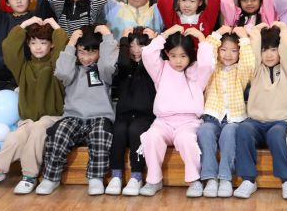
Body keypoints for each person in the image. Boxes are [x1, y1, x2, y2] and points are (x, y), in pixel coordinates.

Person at [0, 17, 66, 194]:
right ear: (28, 45)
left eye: (43, 43)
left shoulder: (56, 64)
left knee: (39, 128)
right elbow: (8, 47)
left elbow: (63, 48)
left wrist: (56, 27)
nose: (38, 47)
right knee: (15, 137)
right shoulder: (23, 67)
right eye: (33, 43)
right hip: (28, 120)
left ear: (51, 44)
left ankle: (30, 176)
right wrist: (24, 25)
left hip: (53, 118)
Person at [35, 25, 118, 196]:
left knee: (100, 135)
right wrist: (71, 43)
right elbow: (62, 72)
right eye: (81, 52)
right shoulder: (72, 70)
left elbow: (109, 64)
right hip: (73, 117)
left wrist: (107, 36)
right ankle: (51, 177)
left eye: (92, 53)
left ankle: (96, 178)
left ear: (100, 51)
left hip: (100, 117)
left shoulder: (103, 71)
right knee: (59, 133)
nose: (86, 58)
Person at [138, 26, 214, 197]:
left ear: (190, 55)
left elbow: (208, 63)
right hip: (163, 122)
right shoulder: (161, 69)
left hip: (189, 122)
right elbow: (147, 54)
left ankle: (195, 180)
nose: (178, 61)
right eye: (173, 56)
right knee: (150, 137)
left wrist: (201, 38)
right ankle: (154, 180)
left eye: (183, 56)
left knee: (186, 139)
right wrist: (165, 34)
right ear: (167, 54)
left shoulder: (197, 71)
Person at [233, 22, 287, 200]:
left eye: (273, 50)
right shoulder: (256, 70)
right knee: (243, 129)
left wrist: (283, 28)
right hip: (255, 121)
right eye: (264, 50)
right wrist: (257, 29)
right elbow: (253, 48)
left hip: (281, 122)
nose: (269, 54)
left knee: (276, 135)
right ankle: (248, 180)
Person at [198, 26, 255, 198]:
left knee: (230, 132)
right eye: (223, 50)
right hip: (212, 116)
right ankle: (210, 178)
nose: (228, 55)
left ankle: (225, 178)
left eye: (233, 51)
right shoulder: (212, 68)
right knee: (205, 131)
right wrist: (217, 34)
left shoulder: (240, 71)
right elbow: (206, 54)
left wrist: (243, 38)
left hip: (234, 119)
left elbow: (249, 63)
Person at [105, 27, 157, 196]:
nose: (136, 50)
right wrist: (123, 40)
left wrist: (152, 42)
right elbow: (124, 62)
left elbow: (153, 58)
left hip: (145, 115)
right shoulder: (124, 67)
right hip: (124, 114)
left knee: (136, 131)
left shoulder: (150, 66)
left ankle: (136, 176)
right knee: (118, 131)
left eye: (140, 45)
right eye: (132, 45)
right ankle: (116, 175)